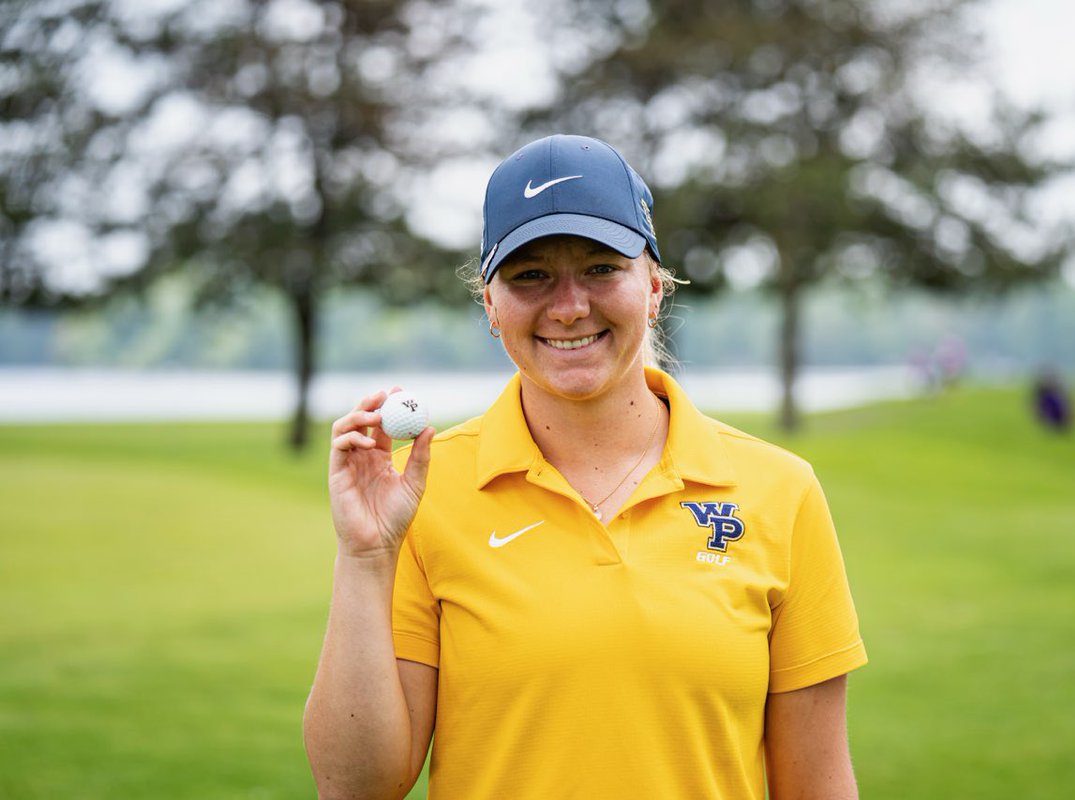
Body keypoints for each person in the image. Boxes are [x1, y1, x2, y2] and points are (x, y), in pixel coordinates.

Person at [303, 134, 868, 799]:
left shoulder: (781, 491)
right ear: (490, 304)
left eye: (601, 268)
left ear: (653, 287)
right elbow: (356, 787)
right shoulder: (423, 491)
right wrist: (367, 560)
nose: (569, 305)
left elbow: (818, 785)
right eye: (530, 274)